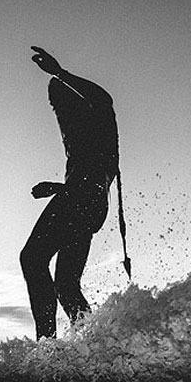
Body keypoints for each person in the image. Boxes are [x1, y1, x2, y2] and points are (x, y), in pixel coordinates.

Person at [21, 46, 119, 340]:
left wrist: (60, 73)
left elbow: (103, 99)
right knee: (66, 284)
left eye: (59, 105)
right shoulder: (76, 145)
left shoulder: (99, 130)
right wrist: (61, 187)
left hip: (82, 201)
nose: (57, 113)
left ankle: (46, 345)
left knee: (32, 259)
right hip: (88, 207)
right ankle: (91, 347)